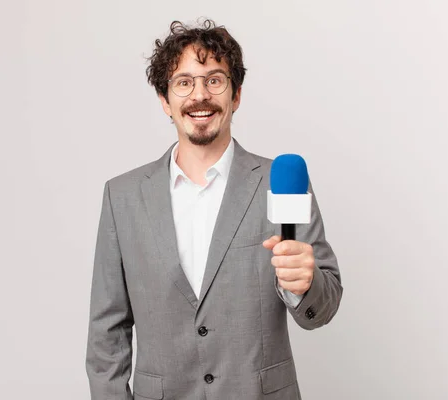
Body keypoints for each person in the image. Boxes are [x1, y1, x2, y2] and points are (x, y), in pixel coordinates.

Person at [86, 19, 343, 400]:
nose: (199, 95)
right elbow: (107, 332)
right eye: (184, 82)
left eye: (215, 80)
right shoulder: (122, 196)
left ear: (236, 95)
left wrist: (304, 285)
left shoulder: (281, 180)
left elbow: (321, 309)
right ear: (165, 100)